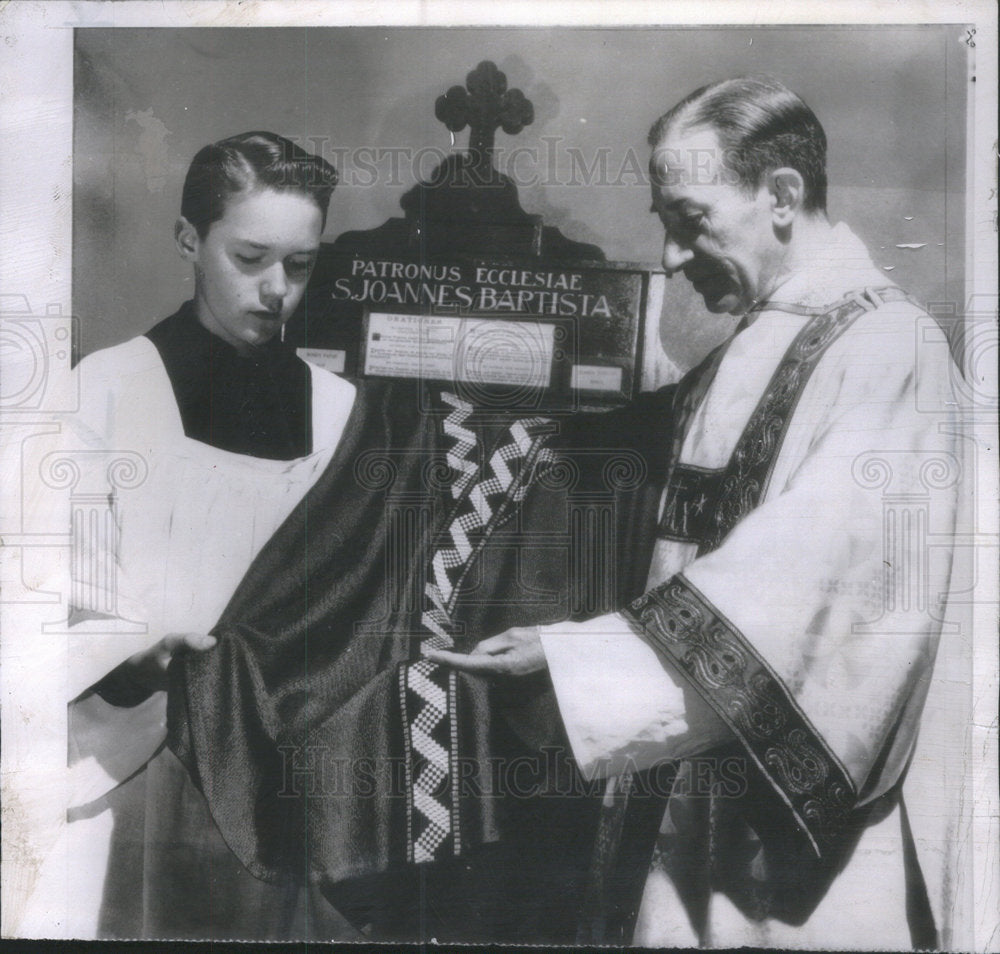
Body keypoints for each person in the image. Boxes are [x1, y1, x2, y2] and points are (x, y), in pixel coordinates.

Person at [429, 76, 965, 949]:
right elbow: (615, 478)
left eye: (689, 218)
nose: (672, 255)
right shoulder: (762, 338)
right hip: (686, 784)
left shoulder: (886, 346)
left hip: (795, 845)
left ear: (782, 195)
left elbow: (813, 588)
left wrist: (579, 664)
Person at [43, 131, 359, 939]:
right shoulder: (105, 391)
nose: (275, 289)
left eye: (299, 264)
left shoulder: (336, 411)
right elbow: (59, 583)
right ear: (190, 239)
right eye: (249, 258)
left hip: (284, 779)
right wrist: (136, 657)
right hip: (138, 760)